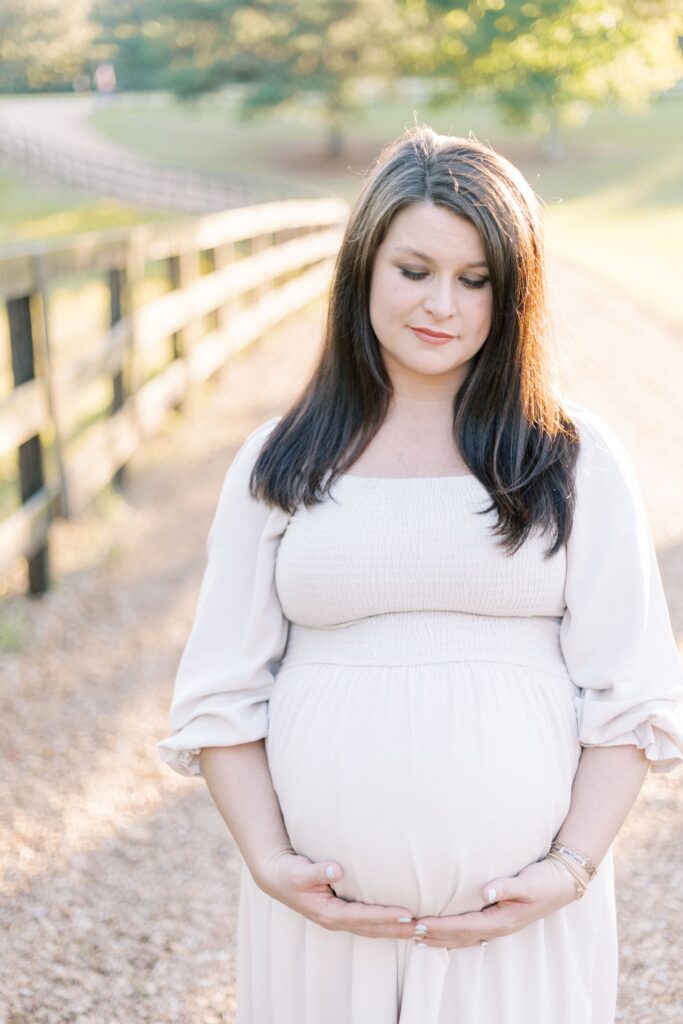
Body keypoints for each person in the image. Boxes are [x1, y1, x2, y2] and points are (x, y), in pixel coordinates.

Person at [157, 125, 683, 1024]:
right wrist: (270, 864)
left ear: (512, 294)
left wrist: (568, 870)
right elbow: (220, 695)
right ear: (362, 270)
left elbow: (630, 696)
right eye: (414, 270)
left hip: (524, 928)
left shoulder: (569, 458)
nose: (442, 304)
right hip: (320, 931)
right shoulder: (279, 462)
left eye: (475, 280)